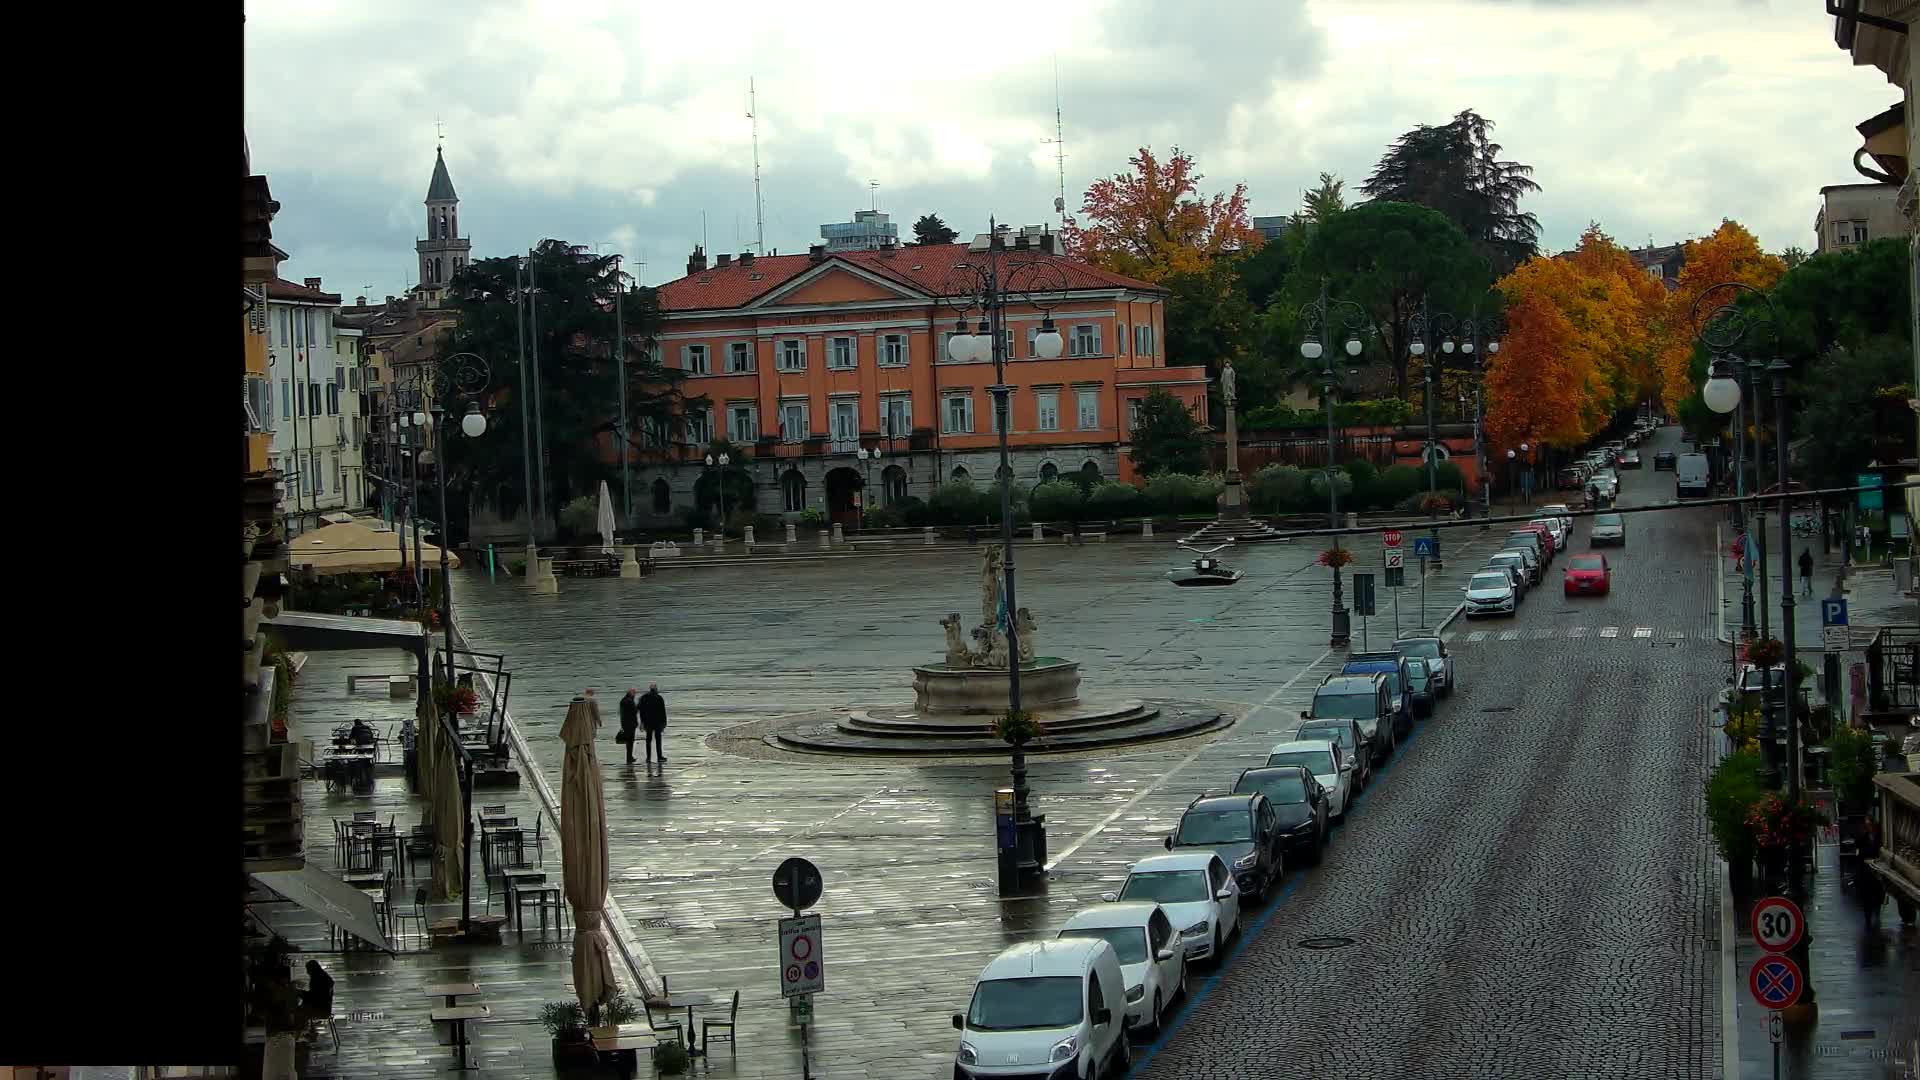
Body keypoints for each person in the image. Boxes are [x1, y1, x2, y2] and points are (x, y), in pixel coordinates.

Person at [297, 959, 334, 1028]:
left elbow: (313, 997)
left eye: (308, 969)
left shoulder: (316, 979)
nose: (307, 972)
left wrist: (300, 992)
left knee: (297, 1010)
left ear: (312, 970)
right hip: (325, 1009)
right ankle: (306, 1028)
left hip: (319, 1009)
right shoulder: (324, 977)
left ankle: (301, 1027)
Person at [639, 682, 668, 763]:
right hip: (657, 723)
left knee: (648, 740)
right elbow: (663, 712)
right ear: (656, 689)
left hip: (648, 723)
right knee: (658, 740)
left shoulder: (645, 698)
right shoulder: (659, 698)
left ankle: (648, 758)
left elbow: (642, 711)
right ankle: (659, 757)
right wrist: (664, 723)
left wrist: (642, 722)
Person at [617, 688, 641, 765]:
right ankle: (629, 758)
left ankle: (629, 757)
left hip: (625, 723)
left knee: (628, 742)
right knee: (630, 741)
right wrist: (639, 705)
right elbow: (634, 711)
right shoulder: (630, 701)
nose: (635, 695)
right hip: (630, 724)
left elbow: (621, 712)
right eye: (634, 693)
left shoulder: (623, 700)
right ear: (631, 693)